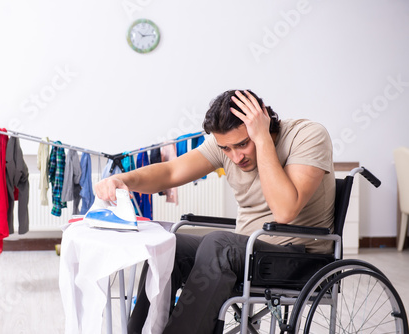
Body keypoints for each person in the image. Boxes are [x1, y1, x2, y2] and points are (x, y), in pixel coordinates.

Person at [94, 89, 335, 334]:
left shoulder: (308, 136)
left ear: (263, 121)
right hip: (248, 253)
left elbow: (285, 211)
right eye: (227, 149)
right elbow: (171, 172)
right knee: (168, 246)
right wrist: (122, 180)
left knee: (219, 244)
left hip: (301, 258)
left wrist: (261, 140)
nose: (236, 156)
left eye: (243, 144)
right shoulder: (225, 144)